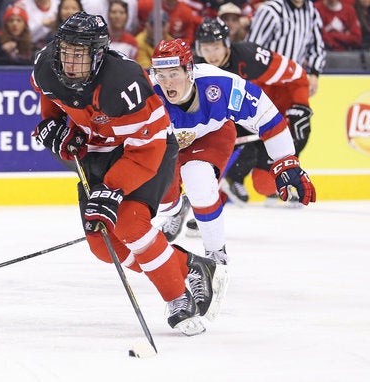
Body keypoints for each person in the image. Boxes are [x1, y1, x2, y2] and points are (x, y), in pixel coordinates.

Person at [31, 11, 225, 335]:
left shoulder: (123, 81)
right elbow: (52, 100)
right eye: (66, 51)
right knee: (103, 246)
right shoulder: (46, 67)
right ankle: (190, 266)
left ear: (98, 53)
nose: (70, 61)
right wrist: (53, 126)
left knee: (128, 222)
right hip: (99, 151)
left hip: (150, 147)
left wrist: (113, 189)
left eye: (80, 54)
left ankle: (178, 298)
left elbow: (144, 149)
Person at [151, 39, 316, 254]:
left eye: (174, 74)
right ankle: (175, 208)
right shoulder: (147, 92)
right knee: (165, 204)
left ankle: (217, 258)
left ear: (189, 71)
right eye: (161, 75)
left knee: (198, 182)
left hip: (211, 135)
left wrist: (285, 161)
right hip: (166, 145)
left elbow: (265, 114)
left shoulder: (220, 84)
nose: (167, 83)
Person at [193, 18, 311, 210]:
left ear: (226, 44)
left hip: (265, 117)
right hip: (235, 121)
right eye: (206, 49)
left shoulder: (250, 56)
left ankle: (283, 178)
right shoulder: (197, 70)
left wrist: (300, 104)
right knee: (206, 161)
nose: (211, 55)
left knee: (264, 184)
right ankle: (207, 210)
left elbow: (295, 73)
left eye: (215, 47)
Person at [247, 0, 325, 97]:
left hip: (293, 82)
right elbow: (251, 48)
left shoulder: (311, 11)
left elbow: (317, 47)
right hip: (267, 82)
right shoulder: (271, 10)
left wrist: (314, 73)